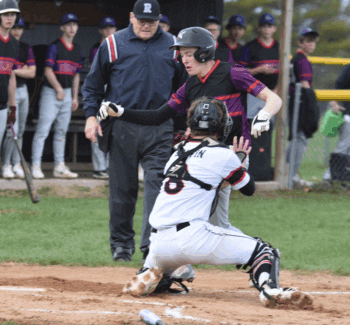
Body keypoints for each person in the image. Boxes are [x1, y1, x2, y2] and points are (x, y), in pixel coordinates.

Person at [121, 97, 313, 310]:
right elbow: (249, 189)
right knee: (265, 251)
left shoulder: (176, 153)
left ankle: (154, 275)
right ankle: (269, 289)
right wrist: (238, 158)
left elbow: (202, 182)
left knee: (163, 265)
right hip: (193, 237)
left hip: (157, 243)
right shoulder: (223, 154)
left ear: (190, 124)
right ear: (221, 126)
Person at [97, 27, 282, 234]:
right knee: (212, 224)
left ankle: (251, 254)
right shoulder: (191, 85)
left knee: (203, 220)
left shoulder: (232, 72)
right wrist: (120, 112)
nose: (183, 60)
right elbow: (159, 116)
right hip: (204, 155)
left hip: (231, 153)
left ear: (204, 52)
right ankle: (179, 263)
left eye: (187, 54)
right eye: (181, 54)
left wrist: (264, 115)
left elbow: (274, 99)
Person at [82, 0, 188, 262]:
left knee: (158, 188)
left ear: (160, 19)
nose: (146, 24)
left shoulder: (174, 46)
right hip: (121, 125)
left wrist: (184, 124)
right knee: (122, 189)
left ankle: (152, 246)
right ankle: (121, 246)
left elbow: (184, 88)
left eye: (151, 21)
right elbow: (93, 84)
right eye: (141, 19)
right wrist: (90, 117)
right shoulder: (113, 43)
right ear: (131, 17)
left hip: (159, 126)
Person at [31, 13, 83, 179]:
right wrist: (59, 88)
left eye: (74, 24)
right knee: (43, 130)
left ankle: (59, 167)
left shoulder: (77, 49)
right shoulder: (54, 46)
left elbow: (76, 75)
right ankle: (35, 165)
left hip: (67, 93)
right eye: (68, 24)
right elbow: (47, 70)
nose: (71, 28)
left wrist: (75, 97)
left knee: (62, 131)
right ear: (62, 27)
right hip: (51, 92)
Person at [2, 17, 36, 179]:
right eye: (14, 27)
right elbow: (9, 71)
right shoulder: (5, 44)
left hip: (22, 89)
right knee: (11, 130)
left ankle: (16, 163)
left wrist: (15, 71)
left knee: (19, 131)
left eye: (20, 28)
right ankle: (6, 164)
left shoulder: (25, 47)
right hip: (7, 90)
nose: (16, 30)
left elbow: (32, 72)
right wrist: (17, 69)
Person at [287, 27, 320, 187]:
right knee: (300, 138)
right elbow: (306, 86)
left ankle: (287, 173)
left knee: (295, 138)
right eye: (308, 41)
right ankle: (291, 176)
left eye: (313, 41)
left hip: (293, 100)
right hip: (300, 102)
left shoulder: (295, 59)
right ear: (300, 42)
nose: (311, 44)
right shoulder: (303, 61)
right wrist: (312, 106)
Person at [89, 17, 117, 179]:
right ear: (100, 30)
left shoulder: (119, 46)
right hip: (102, 89)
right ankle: (99, 167)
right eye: (105, 28)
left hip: (115, 91)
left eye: (111, 27)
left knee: (113, 130)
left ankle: (109, 166)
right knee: (99, 129)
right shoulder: (97, 48)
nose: (108, 31)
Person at [240, 13, 279, 123]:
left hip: (273, 93)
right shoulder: (250, 47)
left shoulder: (279, 47)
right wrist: (259, 69)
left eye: (269, 26)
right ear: (259, 28)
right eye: (264, 26)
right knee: (252, 126)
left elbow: (285, 72)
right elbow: (240, 72)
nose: (267, 29)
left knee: (268, 128)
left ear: (274, 28)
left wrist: (277, 90)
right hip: (254, 94)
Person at [0, 0, 19, 172]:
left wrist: (12, 106)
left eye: (12, 14)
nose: (9, 18)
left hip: (2, 104)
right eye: (6, 14)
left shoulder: (14, 43)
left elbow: (12, 76)